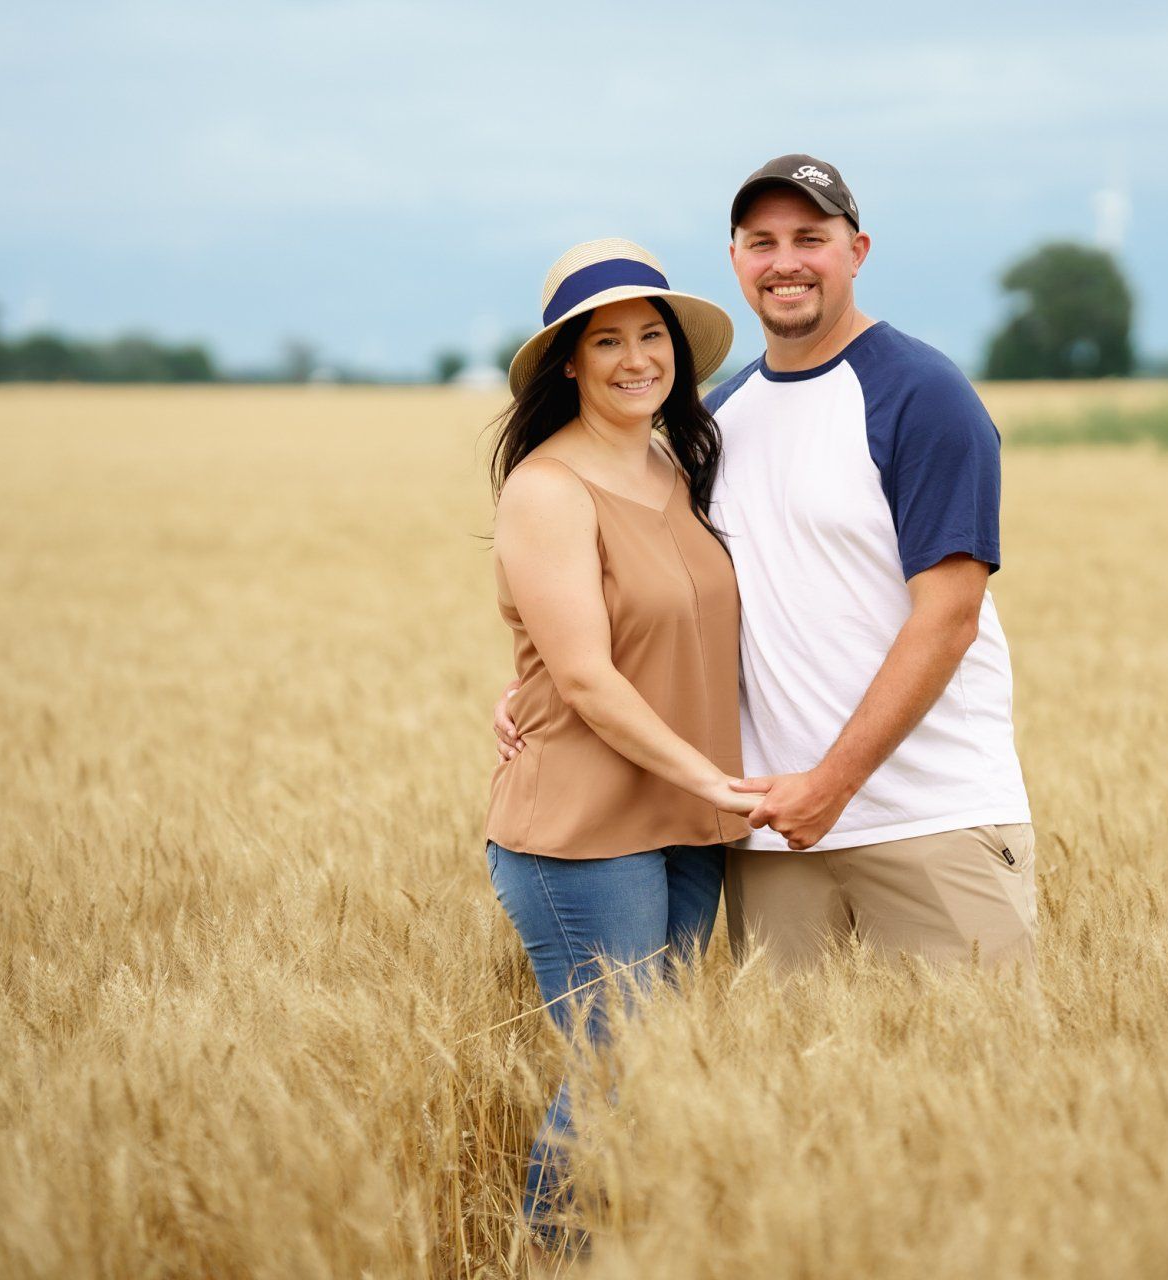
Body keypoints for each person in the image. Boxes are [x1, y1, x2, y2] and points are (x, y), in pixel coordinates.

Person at [498, 156, 1037, 977]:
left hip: (926, 819)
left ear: (856, 251)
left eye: (809, 238)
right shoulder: (715, 425)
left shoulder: (923, 395)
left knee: (981, 1087)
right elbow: (648, 596)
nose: (785, 261)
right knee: (788, 1099)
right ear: (737, 261)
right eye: (762, 241)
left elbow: (949, 617)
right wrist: (538, 693)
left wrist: (833, 781)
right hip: (768, 835)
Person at [482, 237, 760, 1253]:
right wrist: (712, 775)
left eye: (655, 336)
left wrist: (707, 789)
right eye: (610, 340)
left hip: (688, 814)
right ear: (569, 360)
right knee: (616, 1064)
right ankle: (545, 1258)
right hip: (589, 825)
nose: (638, 356)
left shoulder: (677, 462)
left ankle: (630, 1252)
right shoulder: (547, 490)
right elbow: (589, 676)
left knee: (658, 1059)